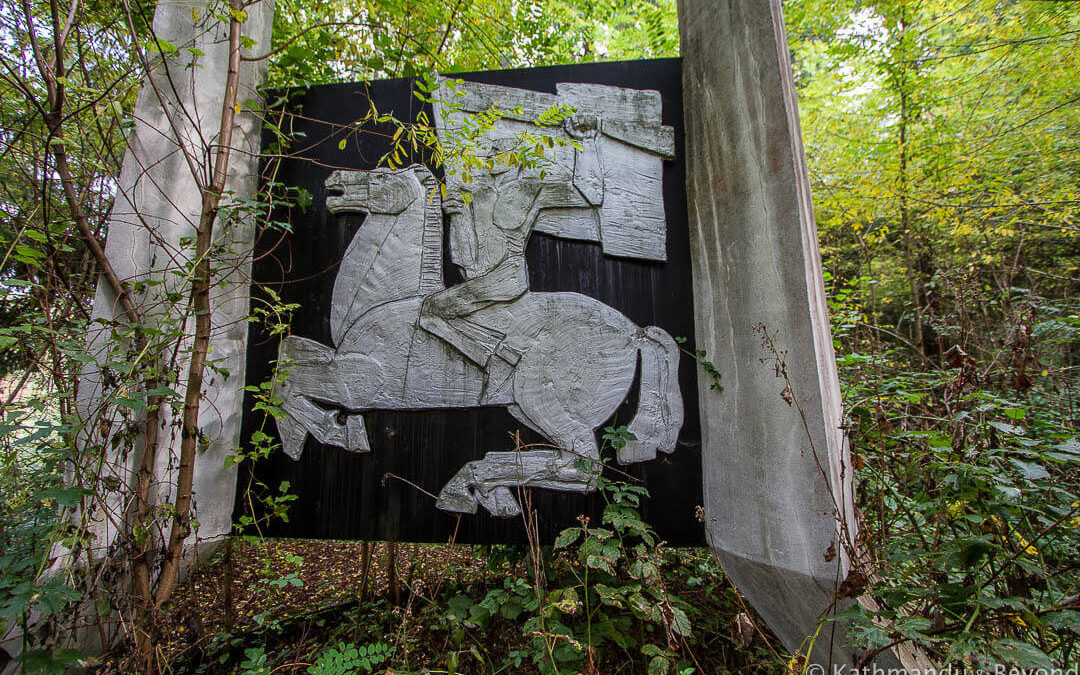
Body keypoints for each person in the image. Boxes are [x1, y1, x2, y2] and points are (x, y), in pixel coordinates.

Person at [419, 114, 604, 368]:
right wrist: (458, 216)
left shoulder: (531, 189)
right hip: (478, 278)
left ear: (515, 156)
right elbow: (465, 257)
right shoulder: (474, 192)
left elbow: (590, 194)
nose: (490, 154)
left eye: (497, 149)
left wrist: (587, 142)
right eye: (490, 149)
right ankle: (497, 352)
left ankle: (491, 358)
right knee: (431, 310)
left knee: (430, 310)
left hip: (507, 279)